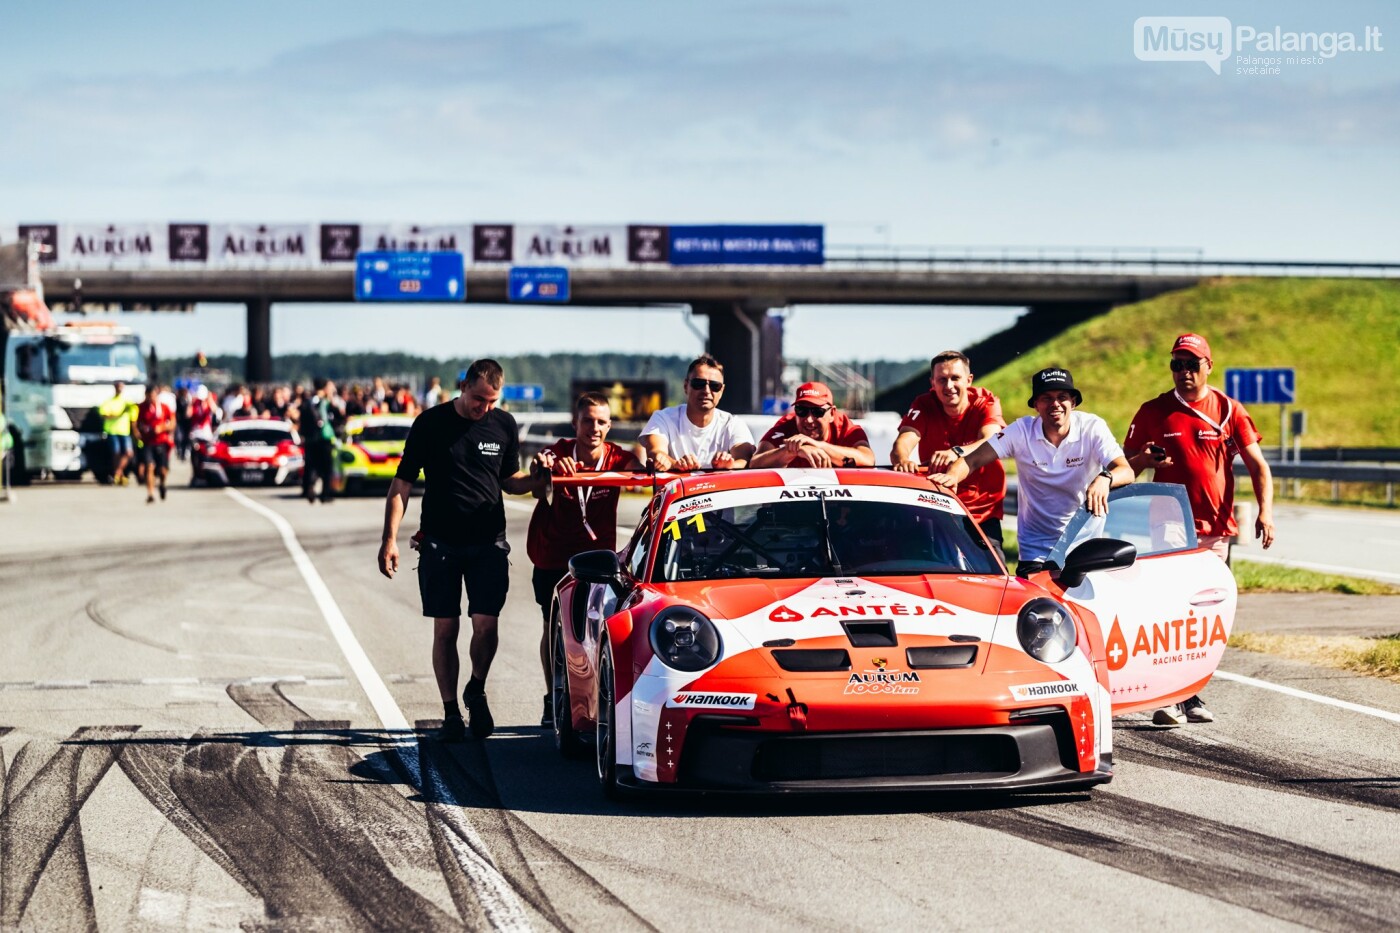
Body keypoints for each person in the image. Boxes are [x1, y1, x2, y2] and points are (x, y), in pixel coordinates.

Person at [378, 359, 544, 742]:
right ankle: (451, 711)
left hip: (488, 543)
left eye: (491, 401)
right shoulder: (430, 423)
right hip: (440, 543)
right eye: (478, 399)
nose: (482, 408)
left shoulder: (503, 425)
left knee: (486, 627)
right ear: (463, 386)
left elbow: (509, 481)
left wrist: (536, 480)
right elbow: (402, 484)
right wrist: (389, 538)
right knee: (446, 628)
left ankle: (477, 687)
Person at [1125, 332, 1276, 726]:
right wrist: (1144, 457)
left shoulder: (1228, 409)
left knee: (1204, 613)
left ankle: (1190, 694)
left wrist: (1266, 513)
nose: (1184, 372)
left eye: (1192, 364)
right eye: (1177, 364)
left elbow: (1259, 465)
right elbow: (1125, 467)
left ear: (1209, 365)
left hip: (1216, 530)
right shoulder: (1154, 411)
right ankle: (1170, 697)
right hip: (1170, 525)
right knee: (1173, 609)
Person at [929, 367, 1132, 576]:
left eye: (1062, 397)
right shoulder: (1021, 431)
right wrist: (951, 476)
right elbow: (971, 460)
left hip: (1084, 547)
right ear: (1036, 405)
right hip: (1036, 551)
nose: (1055, 404)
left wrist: (1105, 478)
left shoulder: (1092, 427)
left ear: (1073, 402)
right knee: (1037, 607)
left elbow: (1126, 470)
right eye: (1046, 398)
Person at [527, 392, 642, 726]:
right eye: (588, 420)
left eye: (601, 422)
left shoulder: (618, 457)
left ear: (610, 425)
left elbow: (646, 473)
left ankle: (590, 699)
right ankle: (553, 698)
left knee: (593, 629)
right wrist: (544, 468)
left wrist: (654, 460)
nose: (594, 427)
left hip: (597, 561)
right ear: (575, 422)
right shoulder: (558, 453)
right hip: (552, 557)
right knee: (553, 629)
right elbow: (537, 481)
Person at [891, 351, 1008, 547]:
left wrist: (956, 451)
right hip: (937, 504)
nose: (949, 386)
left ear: (969, 380)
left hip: (982, 509)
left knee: (992, 574)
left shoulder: (985, 402)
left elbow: (992, 441)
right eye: (942, 379)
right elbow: (903, 441)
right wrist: (902, 460)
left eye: (955, 378)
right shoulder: (924, 404)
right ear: (932, 383)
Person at [640, 355, 755, 472]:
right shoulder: (663, 418)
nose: (706, 391)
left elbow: (745, 460)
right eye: (698, 384)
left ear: (722, 391)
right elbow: (655, 453)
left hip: (719, 491)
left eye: (715, 386)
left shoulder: (733, 423)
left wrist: (729, 465)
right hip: (674, 490)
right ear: (686, 386)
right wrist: (676, 465)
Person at [749, 382, 874, 468]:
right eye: (801, 410)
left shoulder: (845, 428)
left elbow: (868, 460)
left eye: (817, 412)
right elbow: (754, 463)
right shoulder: (785, 426)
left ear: (832, 413)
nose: (809, 419)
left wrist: (819, 446)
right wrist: (791, 451)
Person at [134, 384, 175, 503]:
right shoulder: (142, 407)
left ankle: (162, 484)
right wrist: (137, 432)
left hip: (161, 441)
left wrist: (162, 428)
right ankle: (150, 493)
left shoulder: (164, 407)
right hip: (148, 442)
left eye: (152, 395)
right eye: (148, 396)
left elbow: (172, 423)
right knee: (149, 467)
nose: (150, 398)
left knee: (162, 470)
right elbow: (136, 422)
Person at [301, 378, 338, 504]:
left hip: (311, 439)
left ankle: (310, 487)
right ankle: (325, 493)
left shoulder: (309, 401)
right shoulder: (322, 402)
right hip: (323, 439)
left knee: (313, 466)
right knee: (326, 467)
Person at [98, 381, 136, 486]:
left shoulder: (127, 402)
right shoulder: (109, 402)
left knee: (129, 453)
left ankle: (117, 473)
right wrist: (120, 414)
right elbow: (105, 415)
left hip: (125, 431)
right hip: (112, 431)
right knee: (116, 453)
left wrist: (136, 431)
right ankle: (119, 475)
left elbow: (134, 417)